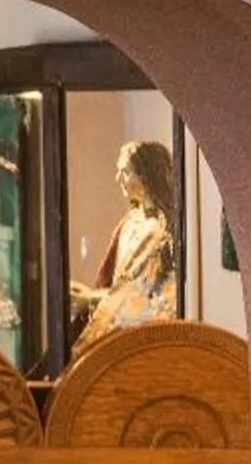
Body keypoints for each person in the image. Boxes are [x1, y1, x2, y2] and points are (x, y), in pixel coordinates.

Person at [70, 137, 181, 359]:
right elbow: (117, 282)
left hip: (139, 343)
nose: (118, 178)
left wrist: (91, 299)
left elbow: (149, 298)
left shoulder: (158, 231)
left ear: (147, 176)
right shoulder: (130, 222)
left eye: (126, 172)